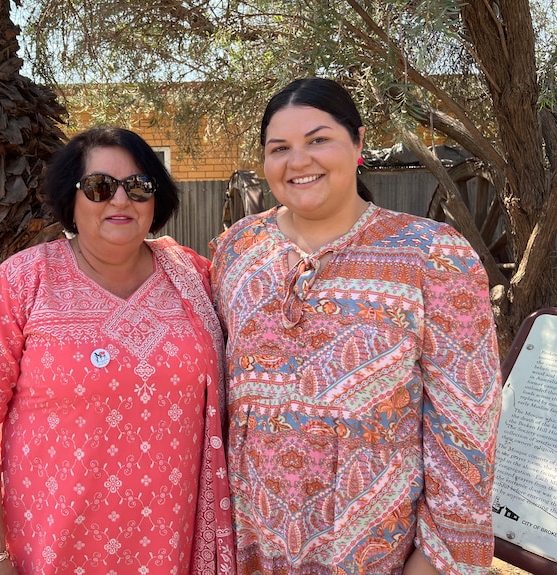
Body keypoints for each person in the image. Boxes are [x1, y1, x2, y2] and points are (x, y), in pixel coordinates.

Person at [210, 78, 501, 574]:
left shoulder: (431, 255)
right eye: (279, 148)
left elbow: (467, 425)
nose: (298, 161)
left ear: (358, 142)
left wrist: (435, 561)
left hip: (373, 550)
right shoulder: (238, 249)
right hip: (252, 544)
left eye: (318, 139)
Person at [0, 127, 235, 575]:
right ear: (70, 198)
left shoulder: (197, 278)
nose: (120, 200)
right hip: (52, 548)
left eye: (139, 186)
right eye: (99, 187)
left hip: (175, 546)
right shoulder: (21, 284)